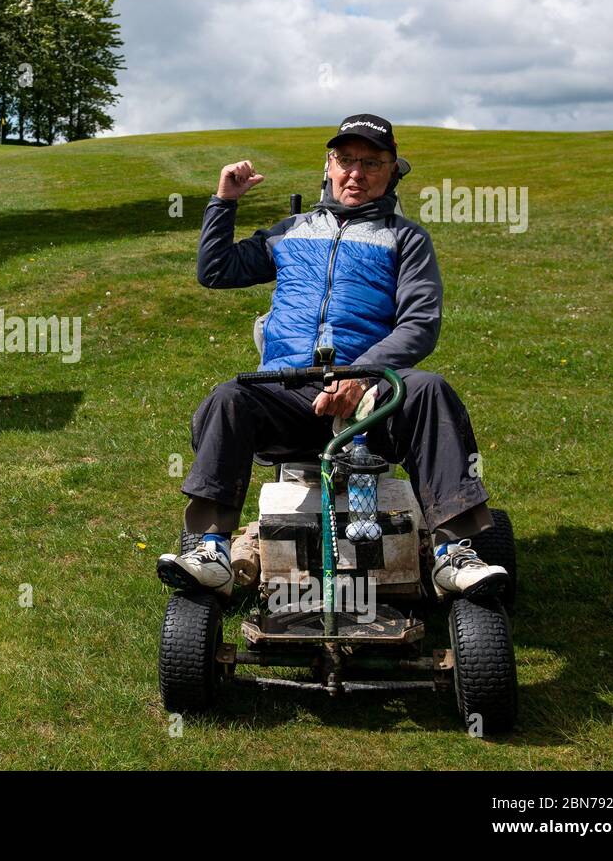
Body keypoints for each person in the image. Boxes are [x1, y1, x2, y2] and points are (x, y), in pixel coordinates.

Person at [156, 114, 507, 600]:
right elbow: (215, 272)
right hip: (289, 393)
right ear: (329, 165)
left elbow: (420, 324)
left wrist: (359, 378)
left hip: (373, 402)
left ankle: (454, 552)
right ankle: (212, 548)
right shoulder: (290, 232)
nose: (356, 174)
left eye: (371, 163)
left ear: (392, 171)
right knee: (229, 397)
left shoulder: (406, 240)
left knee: (430, 389)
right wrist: (225, 202)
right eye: (345, 161)